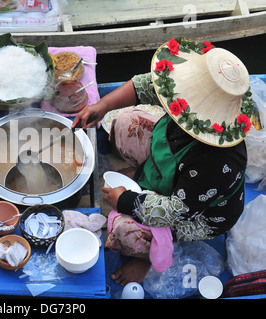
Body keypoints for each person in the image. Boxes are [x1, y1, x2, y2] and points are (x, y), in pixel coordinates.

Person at [72, 38, 256, 285]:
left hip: (197, 215)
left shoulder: (215, 163)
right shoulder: (183, 91)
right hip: (174, 168)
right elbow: (144, 86)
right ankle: (148, 179)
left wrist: (126, 200)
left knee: (125, 230)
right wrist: (103, 105)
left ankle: (151, 260)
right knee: (126, 123)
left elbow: (176, 211)